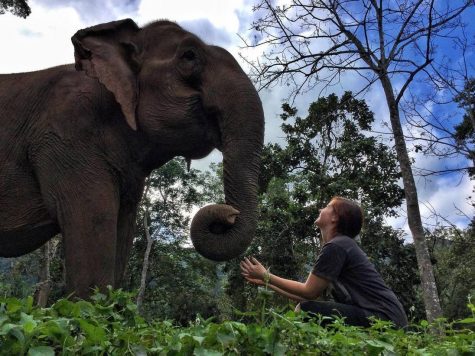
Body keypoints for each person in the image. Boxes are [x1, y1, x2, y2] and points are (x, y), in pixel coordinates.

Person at [240, 197, 408, 328]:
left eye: (327, 207)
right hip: (388, 317)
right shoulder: (340, 245)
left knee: (306, 310)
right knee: (307, 306)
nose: (321, 208)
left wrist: (266, 275)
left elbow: (309, 292)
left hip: (383, 317)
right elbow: (306, 294)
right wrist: (266, 282)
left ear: (335, 217)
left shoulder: (337, 246)